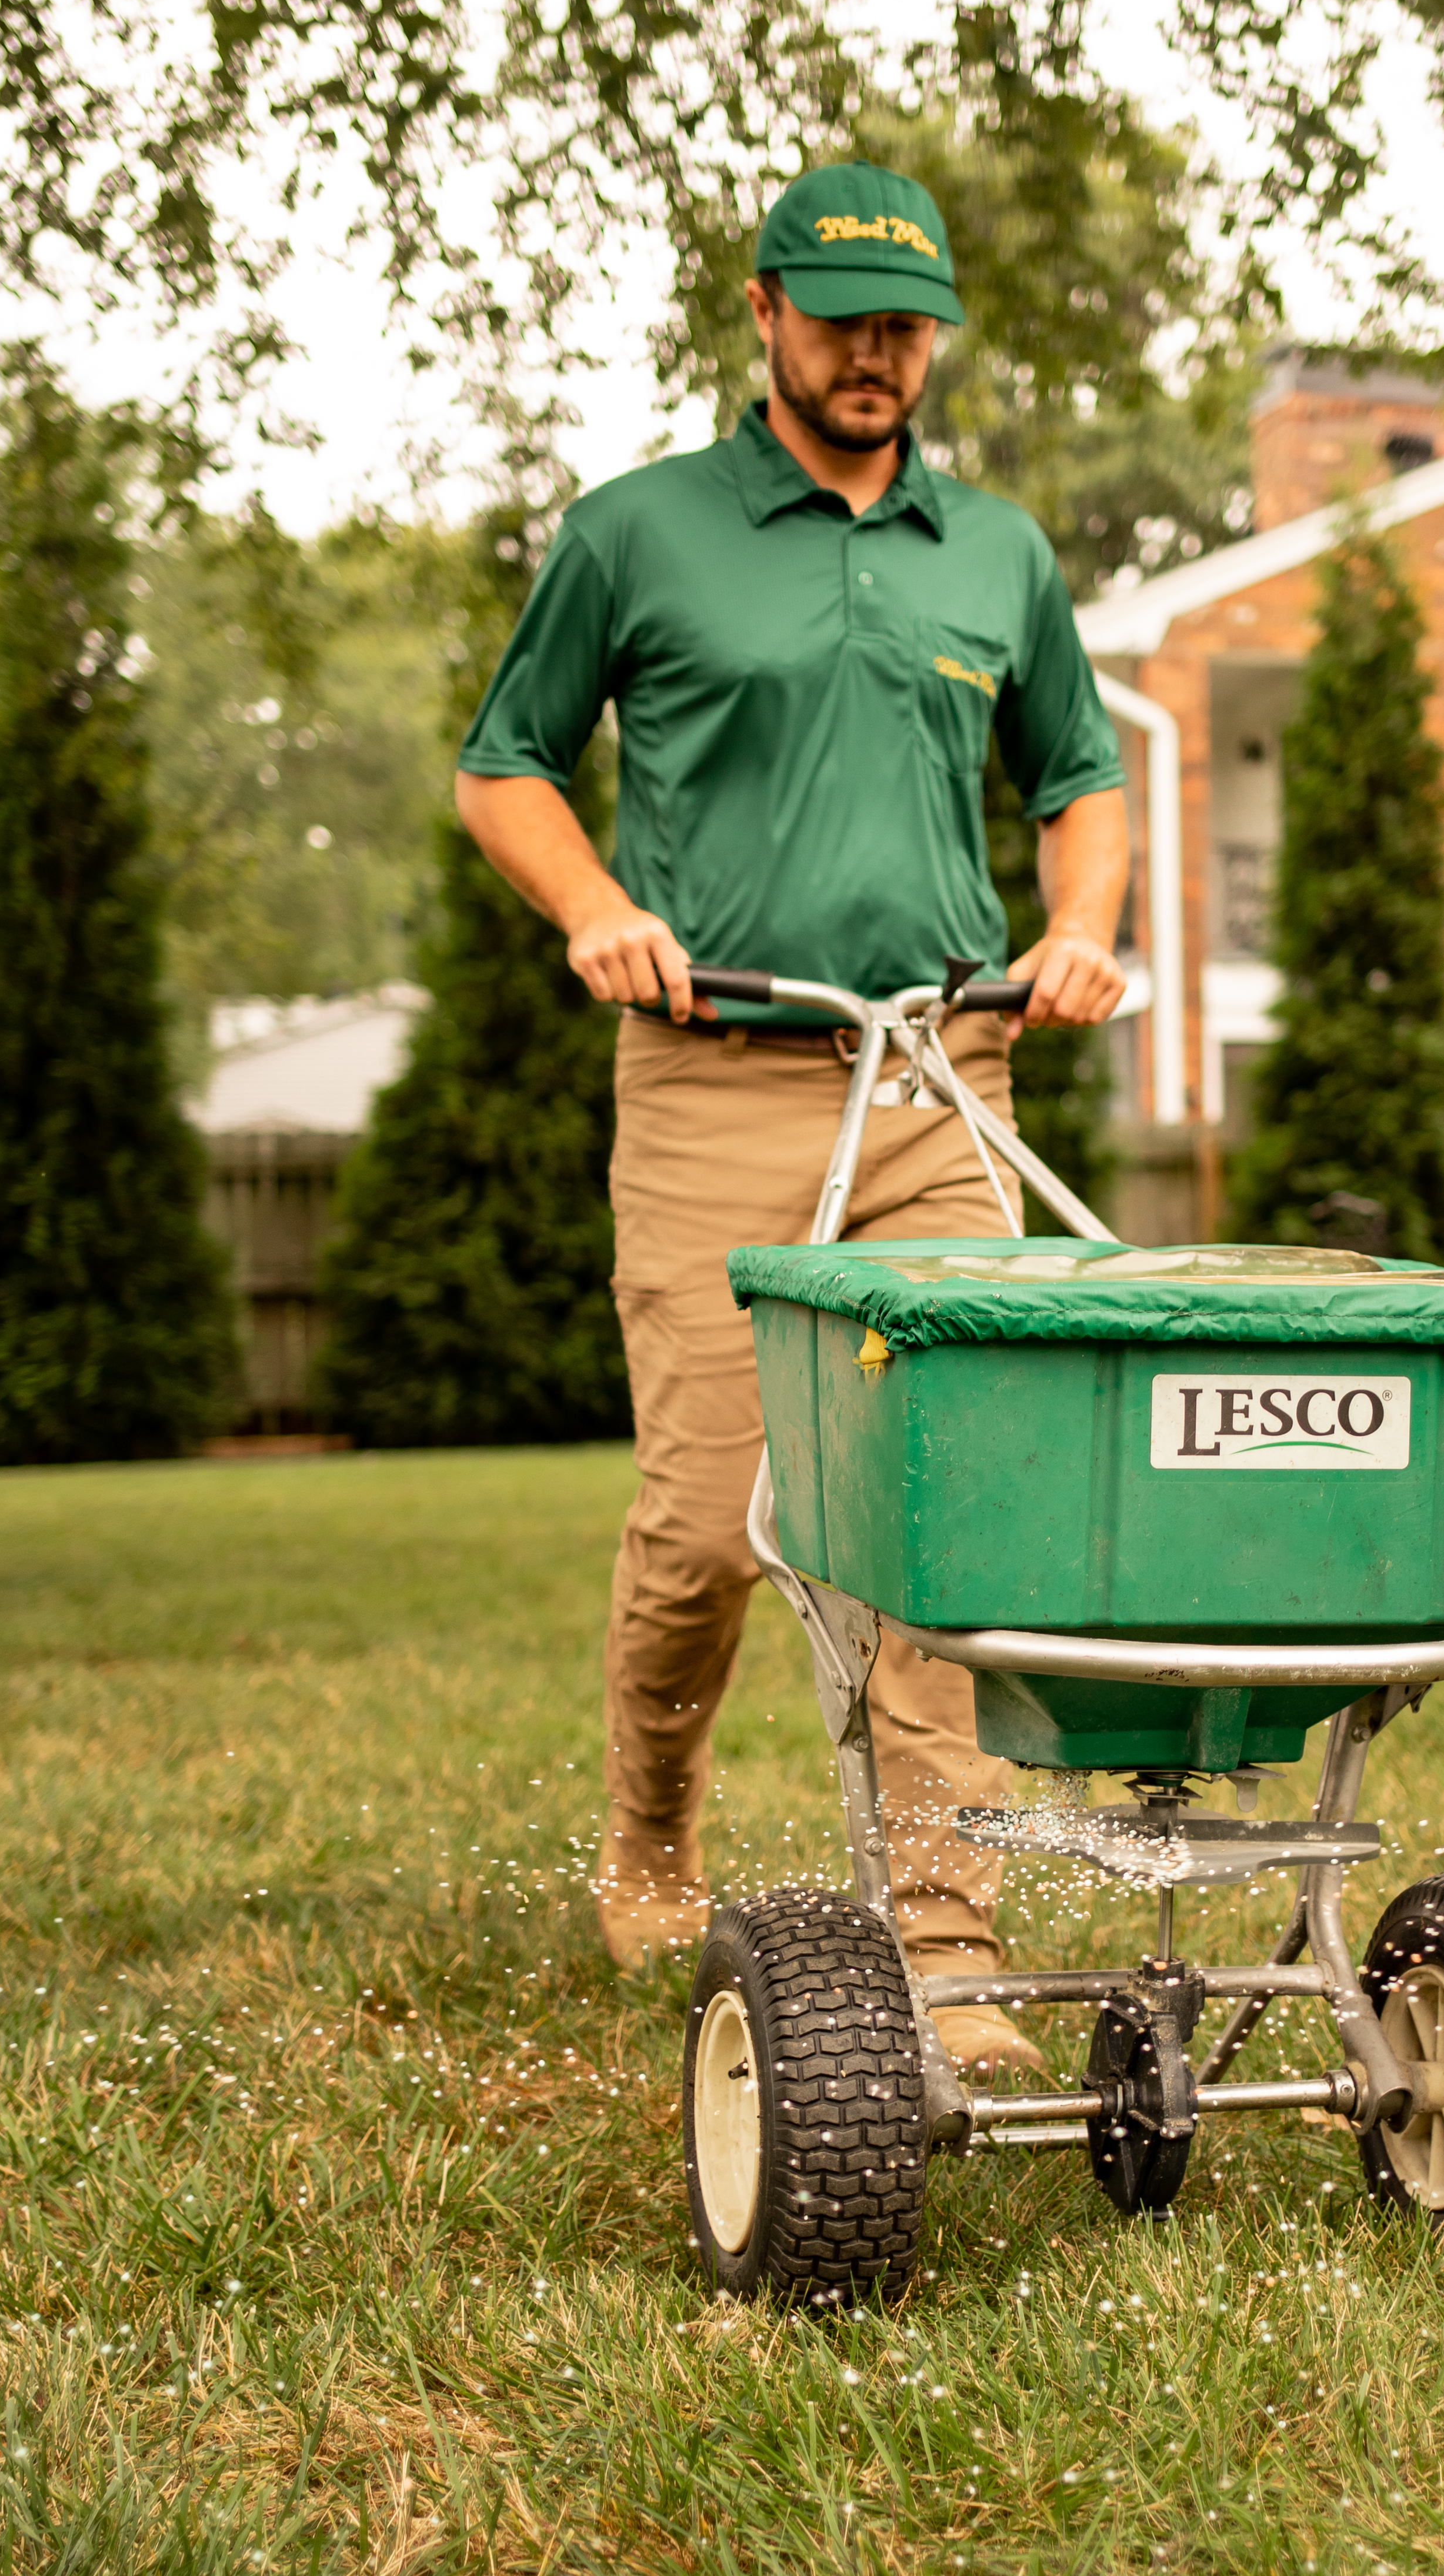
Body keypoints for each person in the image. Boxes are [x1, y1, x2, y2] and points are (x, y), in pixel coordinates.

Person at [453, 161, 1133, 2077]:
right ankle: (652, 1838)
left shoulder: (992, 552)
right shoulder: (639, 532)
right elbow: (502, 767)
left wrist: (1078, 932)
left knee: (937, 1512)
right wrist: (597, 910)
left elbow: (1081, 776)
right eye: (840, 317)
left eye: (908, 324)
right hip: (714, 1082)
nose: (876, 354)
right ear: (762, 313)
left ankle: (949, 1948)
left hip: (935, 1083)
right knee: (710, 1516)